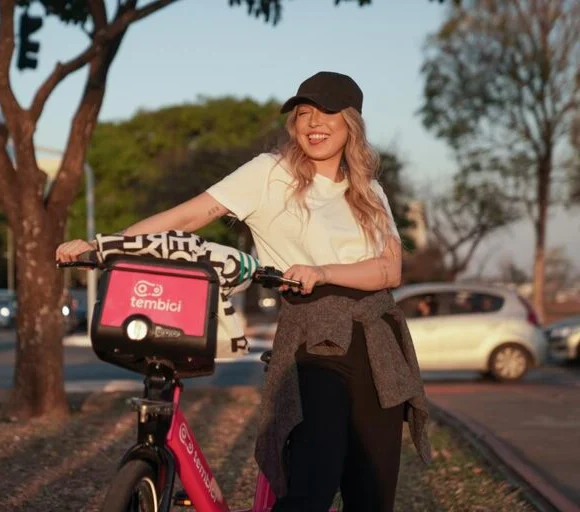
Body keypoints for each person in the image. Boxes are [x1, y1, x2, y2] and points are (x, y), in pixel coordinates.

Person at [56, 71, 429, 511]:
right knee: (312, 482)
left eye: (326, 112)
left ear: (351, 122)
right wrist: (106, 247)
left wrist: (322, 270)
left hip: (377, 339)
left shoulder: (371, 192)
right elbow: (189, 217)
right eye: (304, 114)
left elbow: (389, 270)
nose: (313, 123)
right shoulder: (270, 173)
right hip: (314, 337)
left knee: (373, 490)